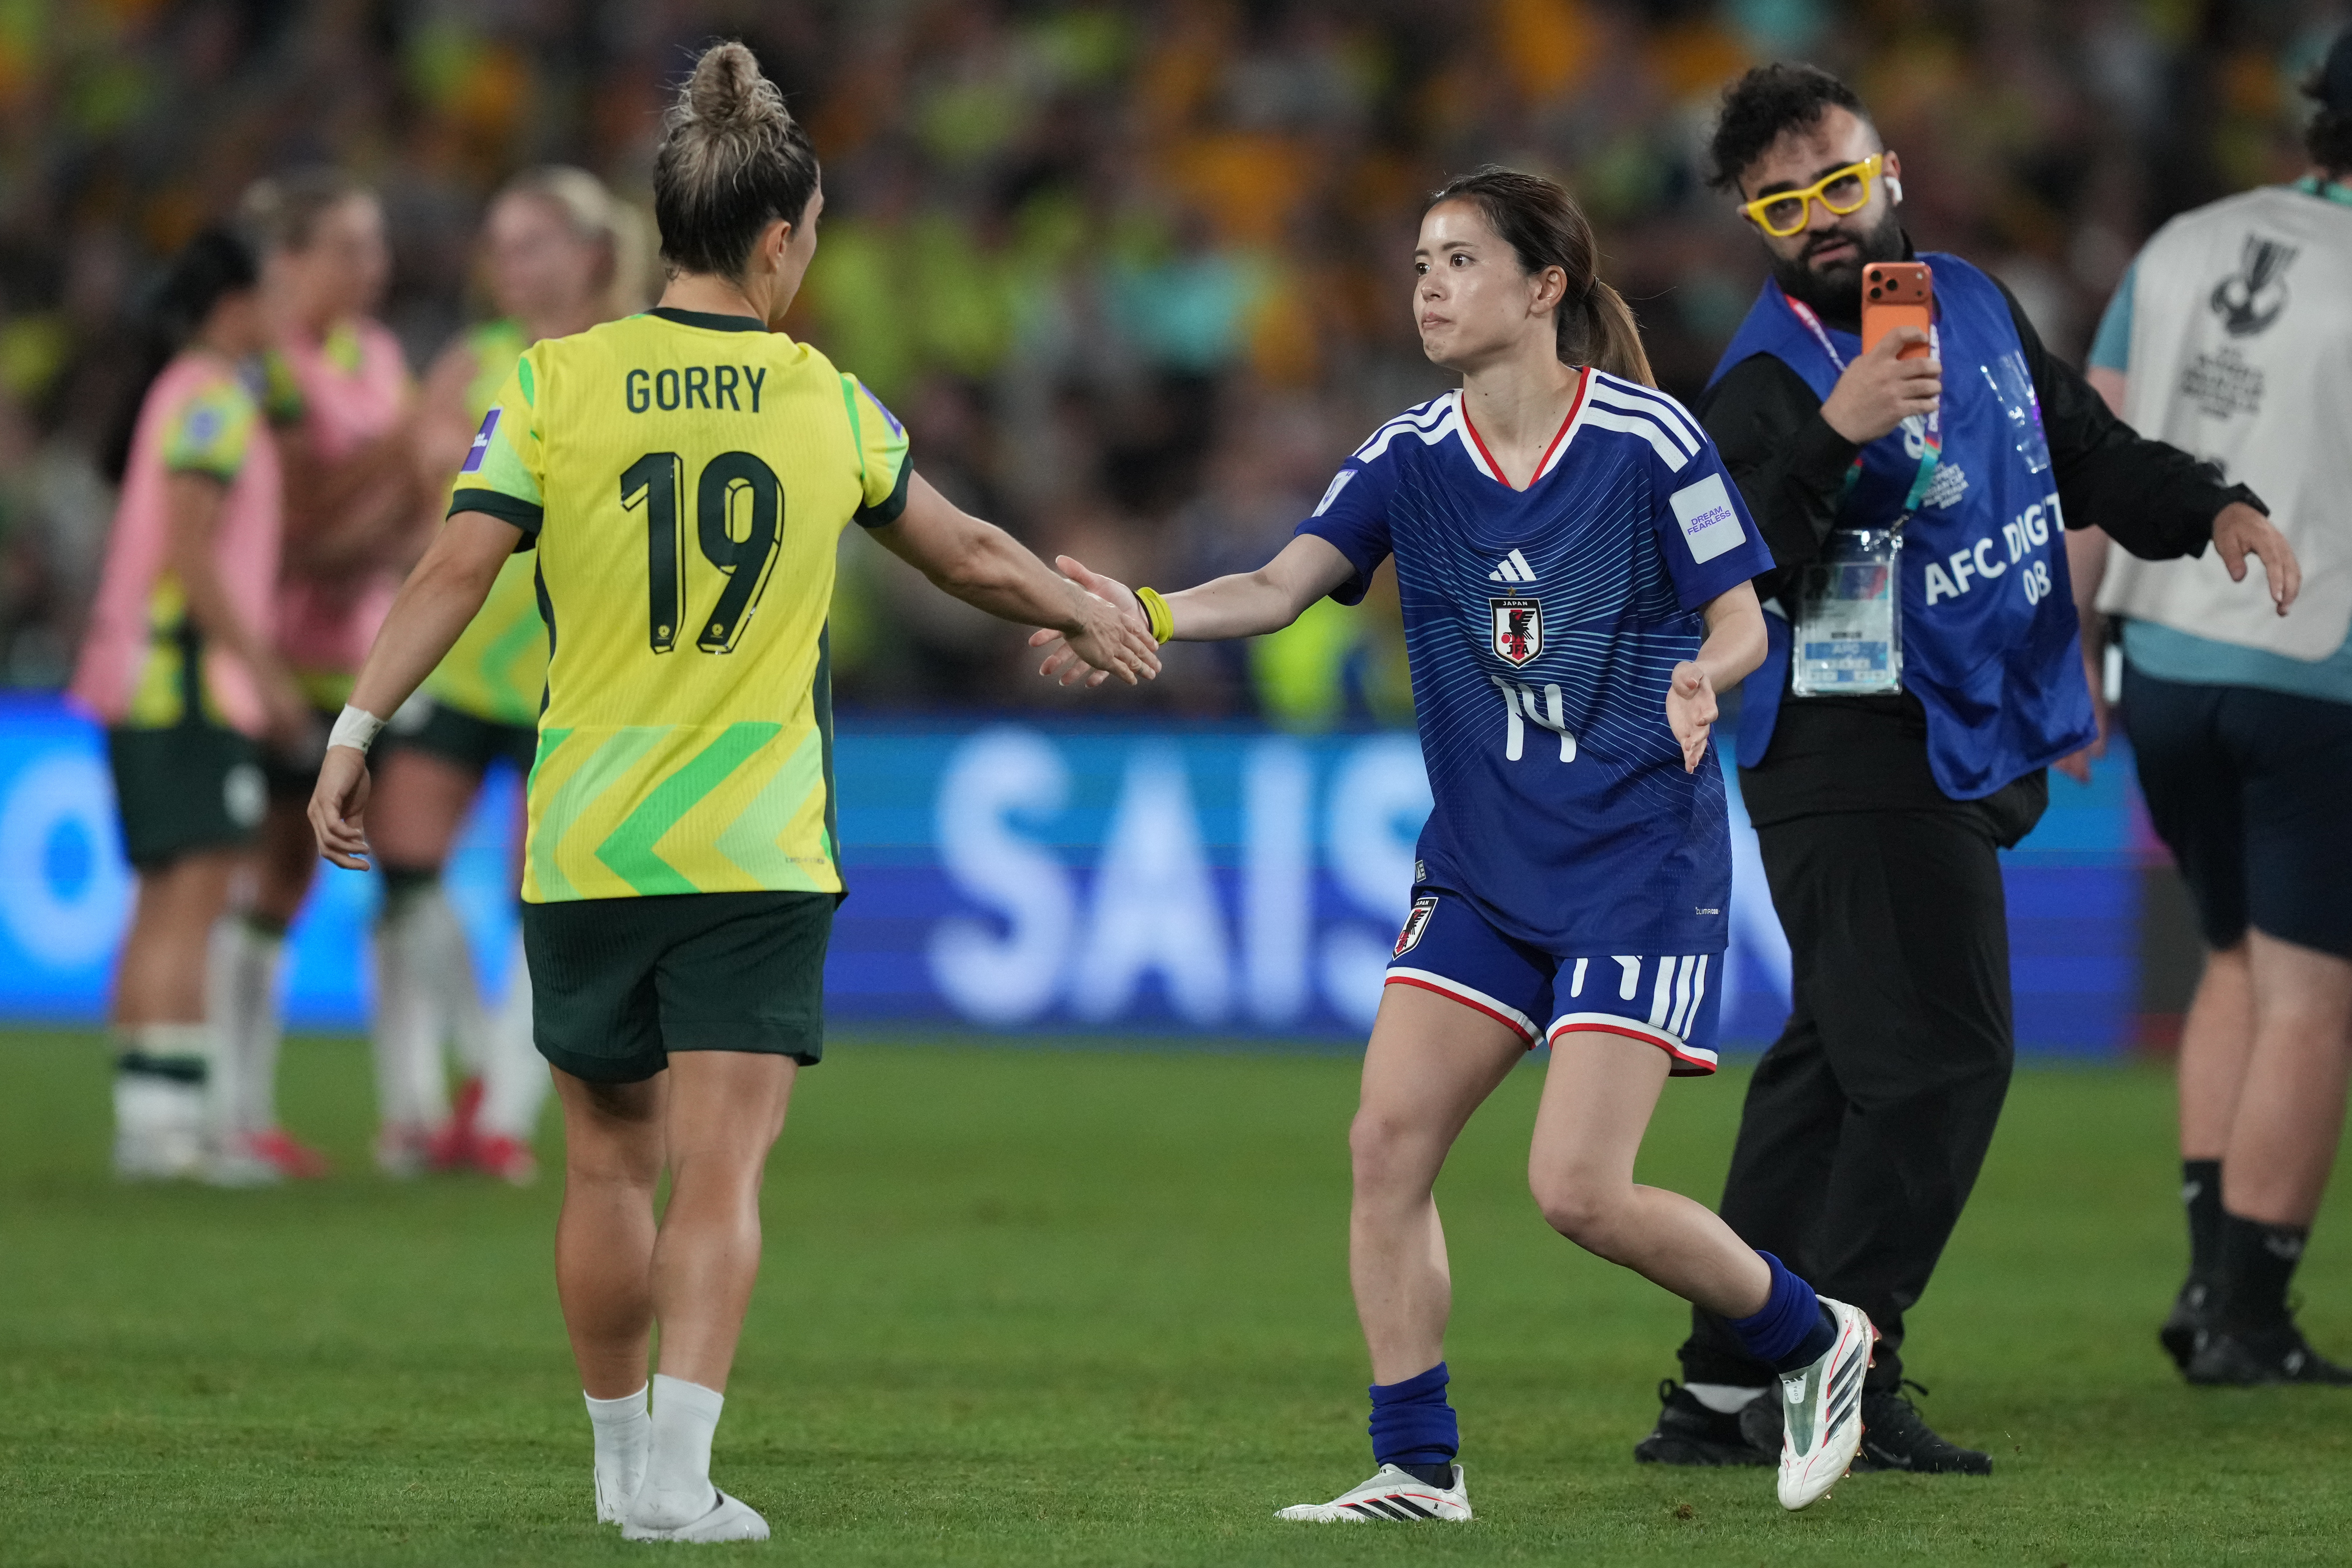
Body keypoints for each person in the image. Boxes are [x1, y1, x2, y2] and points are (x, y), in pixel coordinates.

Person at [307, 41, 1158, 1542]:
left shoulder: (553, 382)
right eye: (812, 236)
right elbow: (960, 550)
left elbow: (453, 563)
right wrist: (1083, 610)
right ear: (777, 237)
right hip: (754, 844)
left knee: (604, 1168)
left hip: (583, 837)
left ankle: (612, 1470)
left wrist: (358, 726)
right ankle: (679, 1483)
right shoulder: (818, 397)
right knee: (723, 1173)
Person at [1038, 167, 1873, 1521]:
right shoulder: (1407, 455)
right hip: (1484, 870)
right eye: (1420, 259)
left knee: (1578, 1191)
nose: (1428, 284)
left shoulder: (1651, 442)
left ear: (1545, 288)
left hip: (1633, 870)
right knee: (1386, 1145)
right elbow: (1275, 584)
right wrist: (1136, 611)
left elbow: (1743, 617)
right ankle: (1417, 1468)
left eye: (1461, 260)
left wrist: (1706, 677)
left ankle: (1813, 1337)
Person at [1633, 62, 2302, 1474]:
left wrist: (2210, 507)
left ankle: (1718, 1388)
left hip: (1945, 722)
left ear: (1883, 171)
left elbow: (2082, 450)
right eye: (1778, 203)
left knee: (1836, 1063)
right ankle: (1844, 1365)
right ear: (1751, 221)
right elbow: (1727, 568)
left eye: (1832, 182)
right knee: (1941, 1059)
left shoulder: (1974, 304)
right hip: (1842, 744)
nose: (1814, 219)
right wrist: (1838, 433)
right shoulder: (1764, 379)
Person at [2069, 26, 2352, 1386]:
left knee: (2231, 960)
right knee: (2313, 996)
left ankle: (2208, 1276)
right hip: (2318, 665)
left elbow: (2095, 448)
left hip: (2162, 651)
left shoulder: (2186, 240)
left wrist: (2070, 645)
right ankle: (2251, 1319)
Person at [371, 167, 651, 1185]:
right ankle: (421, 1102)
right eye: (498, 244)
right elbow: (426, 480)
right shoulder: (473, 360)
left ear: (592, 252)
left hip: (572, 667)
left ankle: (497, 1109)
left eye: (531, 242)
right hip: (461, 651)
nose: (508, 264)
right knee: (402, 872)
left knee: (546, 894)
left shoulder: (625, 362)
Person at [71, 228, 309, 1181]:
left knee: (161, 900)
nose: (287, 313)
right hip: (187, 683)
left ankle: (150, 1120)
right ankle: (177, 1132)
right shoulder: (212, 401)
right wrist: (266, 673)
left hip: (142, 679)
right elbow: (192, 552)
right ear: (234, 305)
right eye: (276, 292)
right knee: (194, 901)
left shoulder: (182, 392)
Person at [217, 169, 423, 1179]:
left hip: (365, 655)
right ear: (291, 260)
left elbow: (392, 510)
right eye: (349, 247)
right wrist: (411, 466)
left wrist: (409, 497)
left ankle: (412, 1114)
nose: (373, 268)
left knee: (404, 872)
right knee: (271, 876)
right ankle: (234, 1108)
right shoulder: (266, 370)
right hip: (280, 655)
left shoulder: (377, 355)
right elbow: (296, 525)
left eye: (376, 247)